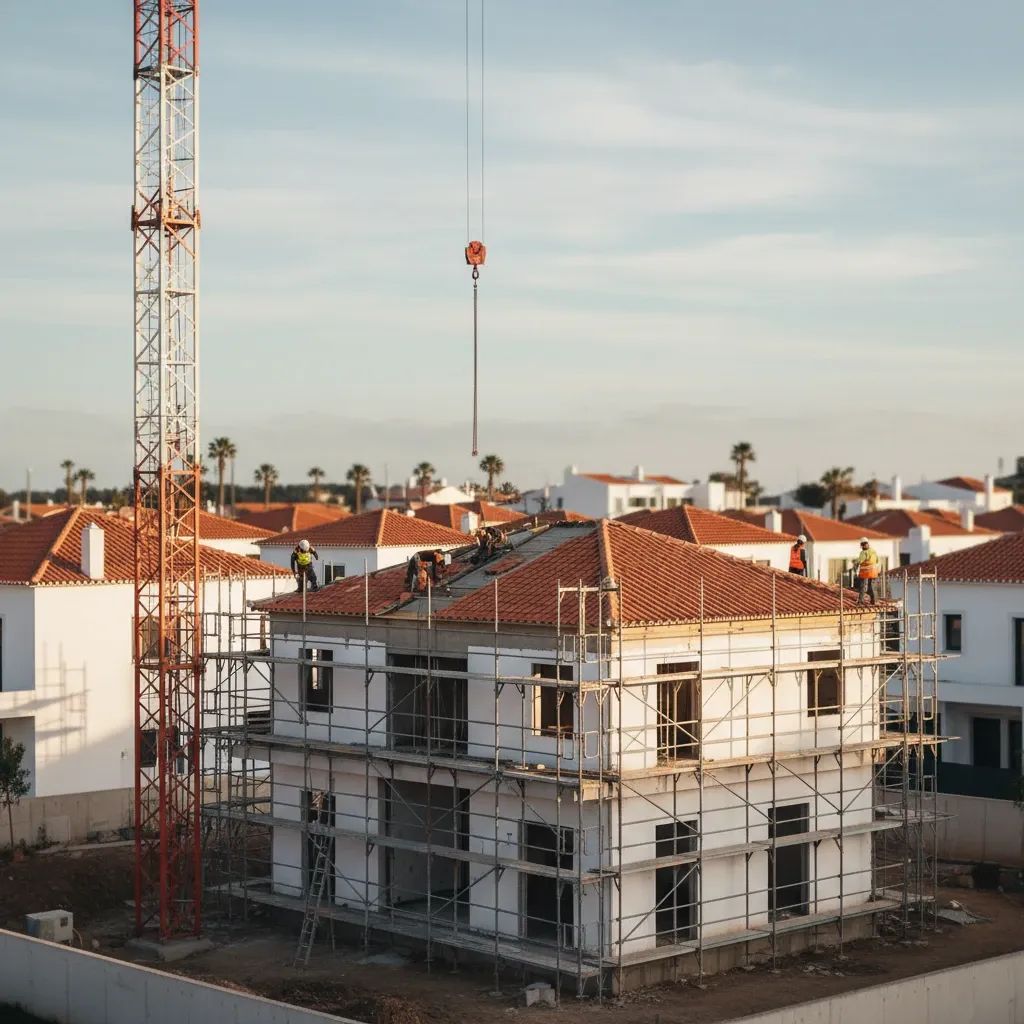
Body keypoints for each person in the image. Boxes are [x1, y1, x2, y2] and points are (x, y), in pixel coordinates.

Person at [855, 537, 880, 605]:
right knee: (872, 586)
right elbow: (877, 560)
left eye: (863, 545)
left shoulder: (863, 553)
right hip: (873, 572)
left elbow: (860, 561)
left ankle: (860, 601)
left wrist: (855, 563)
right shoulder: (873, 551)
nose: (863, 546)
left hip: (865, 572)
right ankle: (874, 601)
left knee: (862, 586)